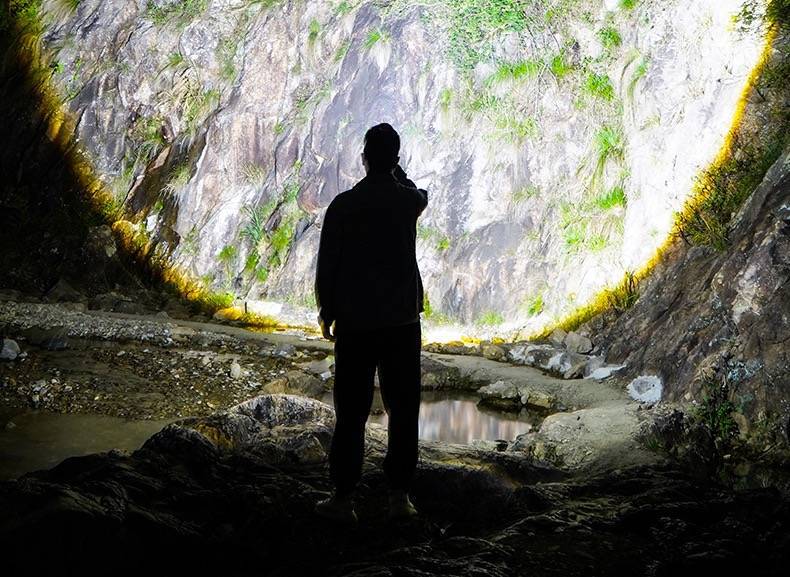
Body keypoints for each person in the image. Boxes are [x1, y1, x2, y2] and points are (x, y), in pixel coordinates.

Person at [314, 123, 428, 523]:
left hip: (356, 323)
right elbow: (417, 191)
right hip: (401, 323)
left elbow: (328, 266)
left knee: (351, 414)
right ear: (395, 159)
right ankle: (399, 498)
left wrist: (326, 310)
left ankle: (344, 499)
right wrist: (395, 170)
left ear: (363, 159)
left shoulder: (343, 206)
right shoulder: (408, 201)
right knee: (404, 411)